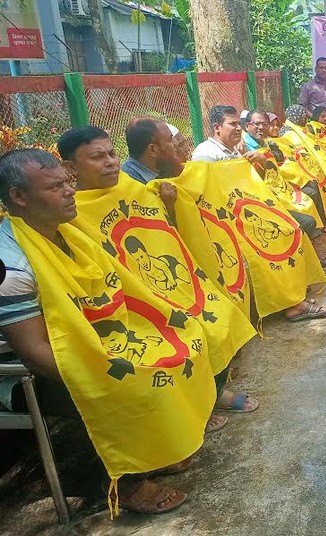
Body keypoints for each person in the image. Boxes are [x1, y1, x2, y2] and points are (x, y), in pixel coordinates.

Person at [0, 148, 190, 514]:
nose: (69, 191)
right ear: (19, 197)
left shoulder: (68, 233)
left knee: (176, 341)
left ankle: (154, 450)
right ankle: (125, 483)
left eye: (67, 182)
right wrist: (110, 371)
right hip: (23, 375)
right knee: (131, 381)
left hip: (87, 339)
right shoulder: (12, 267)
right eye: (54, 187)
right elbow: (36, 353)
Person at [59, 126, 260, 416]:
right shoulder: (69, 214)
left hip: (171, 287)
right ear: (70, 168)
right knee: (185, 334)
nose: (111, 162)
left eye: (112, 154)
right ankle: (200, 403)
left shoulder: (135, 189)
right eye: (97, 157)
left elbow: (167, 238)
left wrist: (169, 207)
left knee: (220, 316)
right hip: (130, 305)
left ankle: (210, 393)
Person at [192, 105, 321, 241]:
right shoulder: (206, 153)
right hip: (233, 216)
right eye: (233, 124)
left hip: (252, 205)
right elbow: (205, 195)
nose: (238, 128)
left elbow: (253, 182)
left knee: (307, 220)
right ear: (217, 127)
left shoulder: (237, 150)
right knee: (301, 224)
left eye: (238, 124)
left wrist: (262, 163)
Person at [121, 117, 185, 184]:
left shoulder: (163, 166)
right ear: (152, 150)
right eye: (170, 140)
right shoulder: (128, 183)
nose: (176, 143)